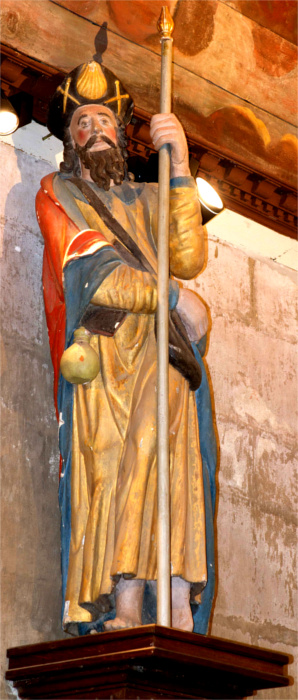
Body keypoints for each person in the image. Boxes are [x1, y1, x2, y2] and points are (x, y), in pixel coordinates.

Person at [36, 60, 217, 636]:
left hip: (162, 352)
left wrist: (182, 166)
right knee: (125, 464)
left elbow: (189, 256)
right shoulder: (59, 192)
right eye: (82, 123)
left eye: (104, 120)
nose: (94, 130)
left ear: (122, 131)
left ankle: (176, 600)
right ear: (69, 139)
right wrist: (171, 296)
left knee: (170, 462)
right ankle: (127, 601)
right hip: (108, 354)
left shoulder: (148, 196)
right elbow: (97, 275)